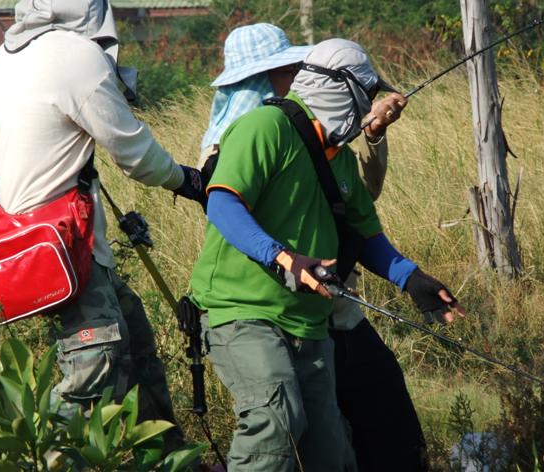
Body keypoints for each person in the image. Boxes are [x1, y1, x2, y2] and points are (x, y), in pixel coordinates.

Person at [190, 37, 465, 472]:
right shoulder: (265, 127)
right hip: (241, 310)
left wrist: (412, 279)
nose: (367, 107)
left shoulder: (337, 158)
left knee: (331, 455)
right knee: (274, 421)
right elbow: (223, 202)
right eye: (365, 95)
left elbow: (364, 233)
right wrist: (283, 258)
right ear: (342, 90)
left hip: (308, 321)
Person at [0, 0, 205, 451]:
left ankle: (171, 460)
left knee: (139, 348)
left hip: (33, 247)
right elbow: (134, 153)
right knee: (93, 375)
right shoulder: (73, 56)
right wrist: (189, 182)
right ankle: (43, 460)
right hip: (66, 247)